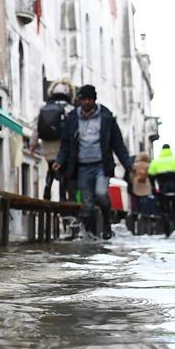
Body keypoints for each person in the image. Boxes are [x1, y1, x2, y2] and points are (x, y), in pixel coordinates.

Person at [54, 84, 133, 239]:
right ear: (80, 100)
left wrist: (127, 164)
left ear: (94, 100)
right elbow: (65, 143)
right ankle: (90, 235)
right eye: (84, 99)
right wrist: (60, 160)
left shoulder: (106, 117)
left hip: (101, 166)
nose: (87, 102)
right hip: (82, 167)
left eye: (90, 99)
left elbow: (117, 144)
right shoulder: (72, 118)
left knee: (102, 194)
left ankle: (106, 224)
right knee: (87, 203)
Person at [30, 82, 74, 200]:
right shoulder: (69, 108)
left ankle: (47, 188)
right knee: (63, 171)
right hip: (61, 146)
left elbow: (36, 127)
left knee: (50, 168)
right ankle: (62, 197)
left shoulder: (44, 107)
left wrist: (32, 144)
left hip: (46, 145)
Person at [147, 143, 175, 237]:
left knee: (164, 211)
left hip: (164, 191)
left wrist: (154, 189)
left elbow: (151, 177)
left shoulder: (155, 162)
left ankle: (167, 231)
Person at [127, 151, 153, 234]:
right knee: (144, 199)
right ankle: (143, 214)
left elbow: (130, 176)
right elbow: (152, 175)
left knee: (136, 200)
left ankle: (137, 213)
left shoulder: (135, 165)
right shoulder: (149, 165)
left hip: (136, 185)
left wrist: (132, 182)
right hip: (146, 185)